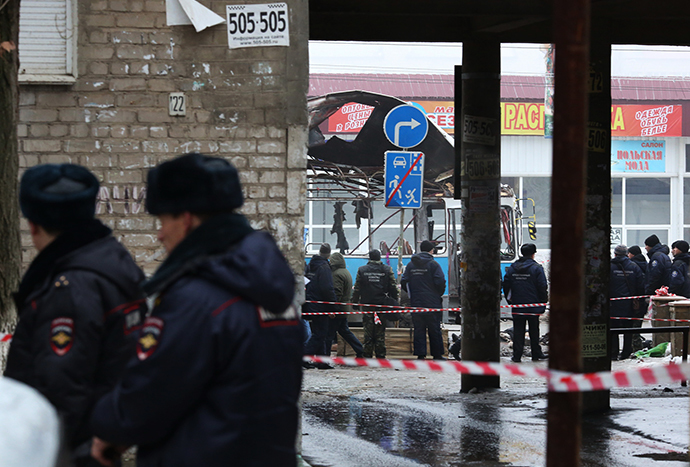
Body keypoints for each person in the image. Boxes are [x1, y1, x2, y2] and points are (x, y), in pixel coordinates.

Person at [89, 153, 303, 467]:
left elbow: (154, 390)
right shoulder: (269, 288)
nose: (160, 234)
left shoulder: (196, 297)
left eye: (163, 221)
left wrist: (109, 428)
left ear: (186, 219)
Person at [4, 164, 146, 467]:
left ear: (33, 224)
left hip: (69, 452)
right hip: (100, 439)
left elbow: (60, 389)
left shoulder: (70, 288)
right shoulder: (112, 262)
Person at [502, 243, 548, 362]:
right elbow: (542, 286)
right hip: (533, 305)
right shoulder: (537, 268)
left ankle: (517, 355)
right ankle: (536, 354)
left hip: (518, 304)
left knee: (518, 330)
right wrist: (543, 302)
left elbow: (506, 284)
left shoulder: (513, 267)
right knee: (534, 330)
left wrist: (510, 300)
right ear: (533, 254)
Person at [401, 240, 447, 360]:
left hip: (416, 302)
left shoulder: (411, 265)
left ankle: (421, 355)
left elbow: (403, 281)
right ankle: (437, 355)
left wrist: (412, 294)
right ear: (431, 250)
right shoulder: (433, 265)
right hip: (432, 303)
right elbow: (440, 281)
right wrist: (437, 294)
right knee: (434, 329)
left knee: (419, 329)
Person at [352, 249, 398, 358]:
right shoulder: (387, 270)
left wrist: (355, 302)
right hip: (382, 304)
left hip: (367, 304)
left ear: (370, 258)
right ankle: (380, 355)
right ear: (379, 258)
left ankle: (367, 355)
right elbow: (393, 287)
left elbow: (357, 288)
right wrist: (394, 301)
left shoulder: (362, 270)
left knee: (368, 330)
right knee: (380, 330)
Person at [609, 245, 645, 360]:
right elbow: (640, 286)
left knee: (613, 330)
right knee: (628, 329)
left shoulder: (609, 266)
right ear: (626, 254)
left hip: (612, 304)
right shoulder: (634, 267)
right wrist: (640, 302)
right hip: (629, 304)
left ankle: (613, 353)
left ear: (615, 254)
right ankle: (626, 352)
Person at [304, 243, 338, 359]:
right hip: (321, 305)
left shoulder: (311, 265)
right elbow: (327, 289)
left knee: (319, 333)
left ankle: (321, 361)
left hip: (311, 303)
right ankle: (304, 356)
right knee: (320, 334)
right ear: (329, 254)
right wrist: (333, 307)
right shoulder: (324, 267)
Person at [327, 252, 364, 358]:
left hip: (338, 309)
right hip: (344, 308)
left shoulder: (337, 274)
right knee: (345, 332)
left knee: (329, 335)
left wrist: (332, 309)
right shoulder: (345, 272)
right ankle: (360, 350)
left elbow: (337, 293)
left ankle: (324, 357)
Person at [627, 245, 648, 350]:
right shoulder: (645, 264)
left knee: (632, 327)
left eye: (629, 253)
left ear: (633, 254)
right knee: (637, 325)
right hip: (643, 300)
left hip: (635, 300)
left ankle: (635, 348)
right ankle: (637, 347)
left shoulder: (633, 266)